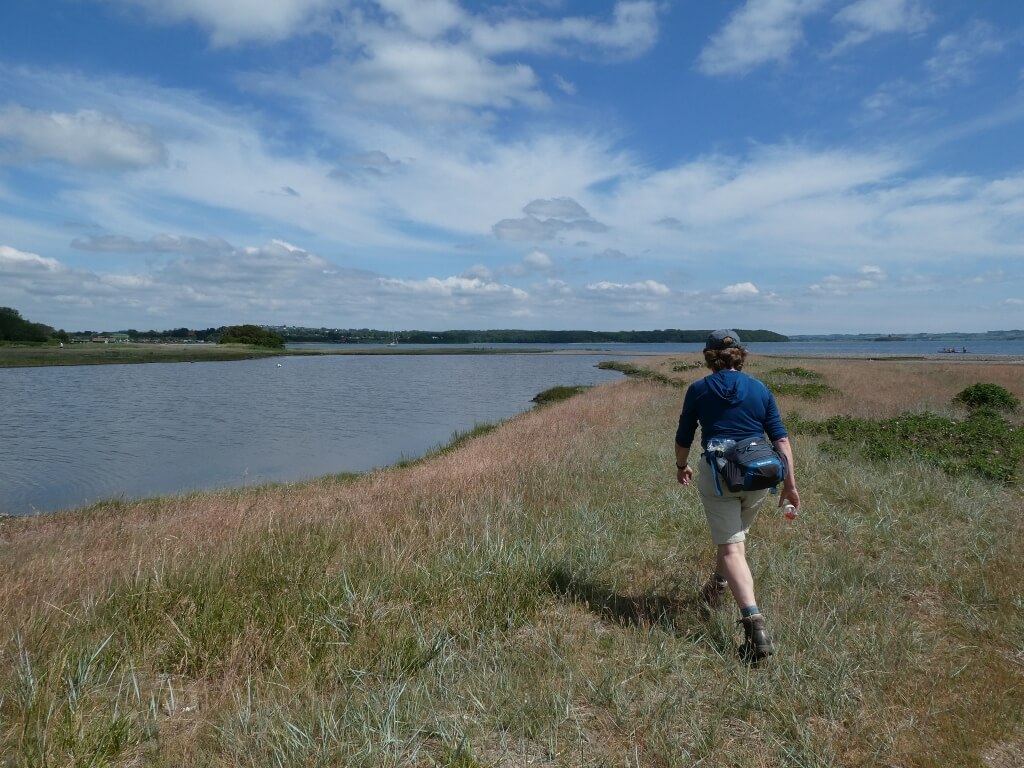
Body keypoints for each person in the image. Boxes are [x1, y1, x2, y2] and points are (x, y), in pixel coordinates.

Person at [674, 329, 799, 661]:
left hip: (720, 476)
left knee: (732, 547)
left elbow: (684, 436)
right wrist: (790, 485)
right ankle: (716, 587)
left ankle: (754, 623)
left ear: (709, 356)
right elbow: (781, 441)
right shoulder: (759, 388)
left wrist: (681, 465)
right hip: (760, 474)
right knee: (734, 539)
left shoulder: (699, 389)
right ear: (740, 355)